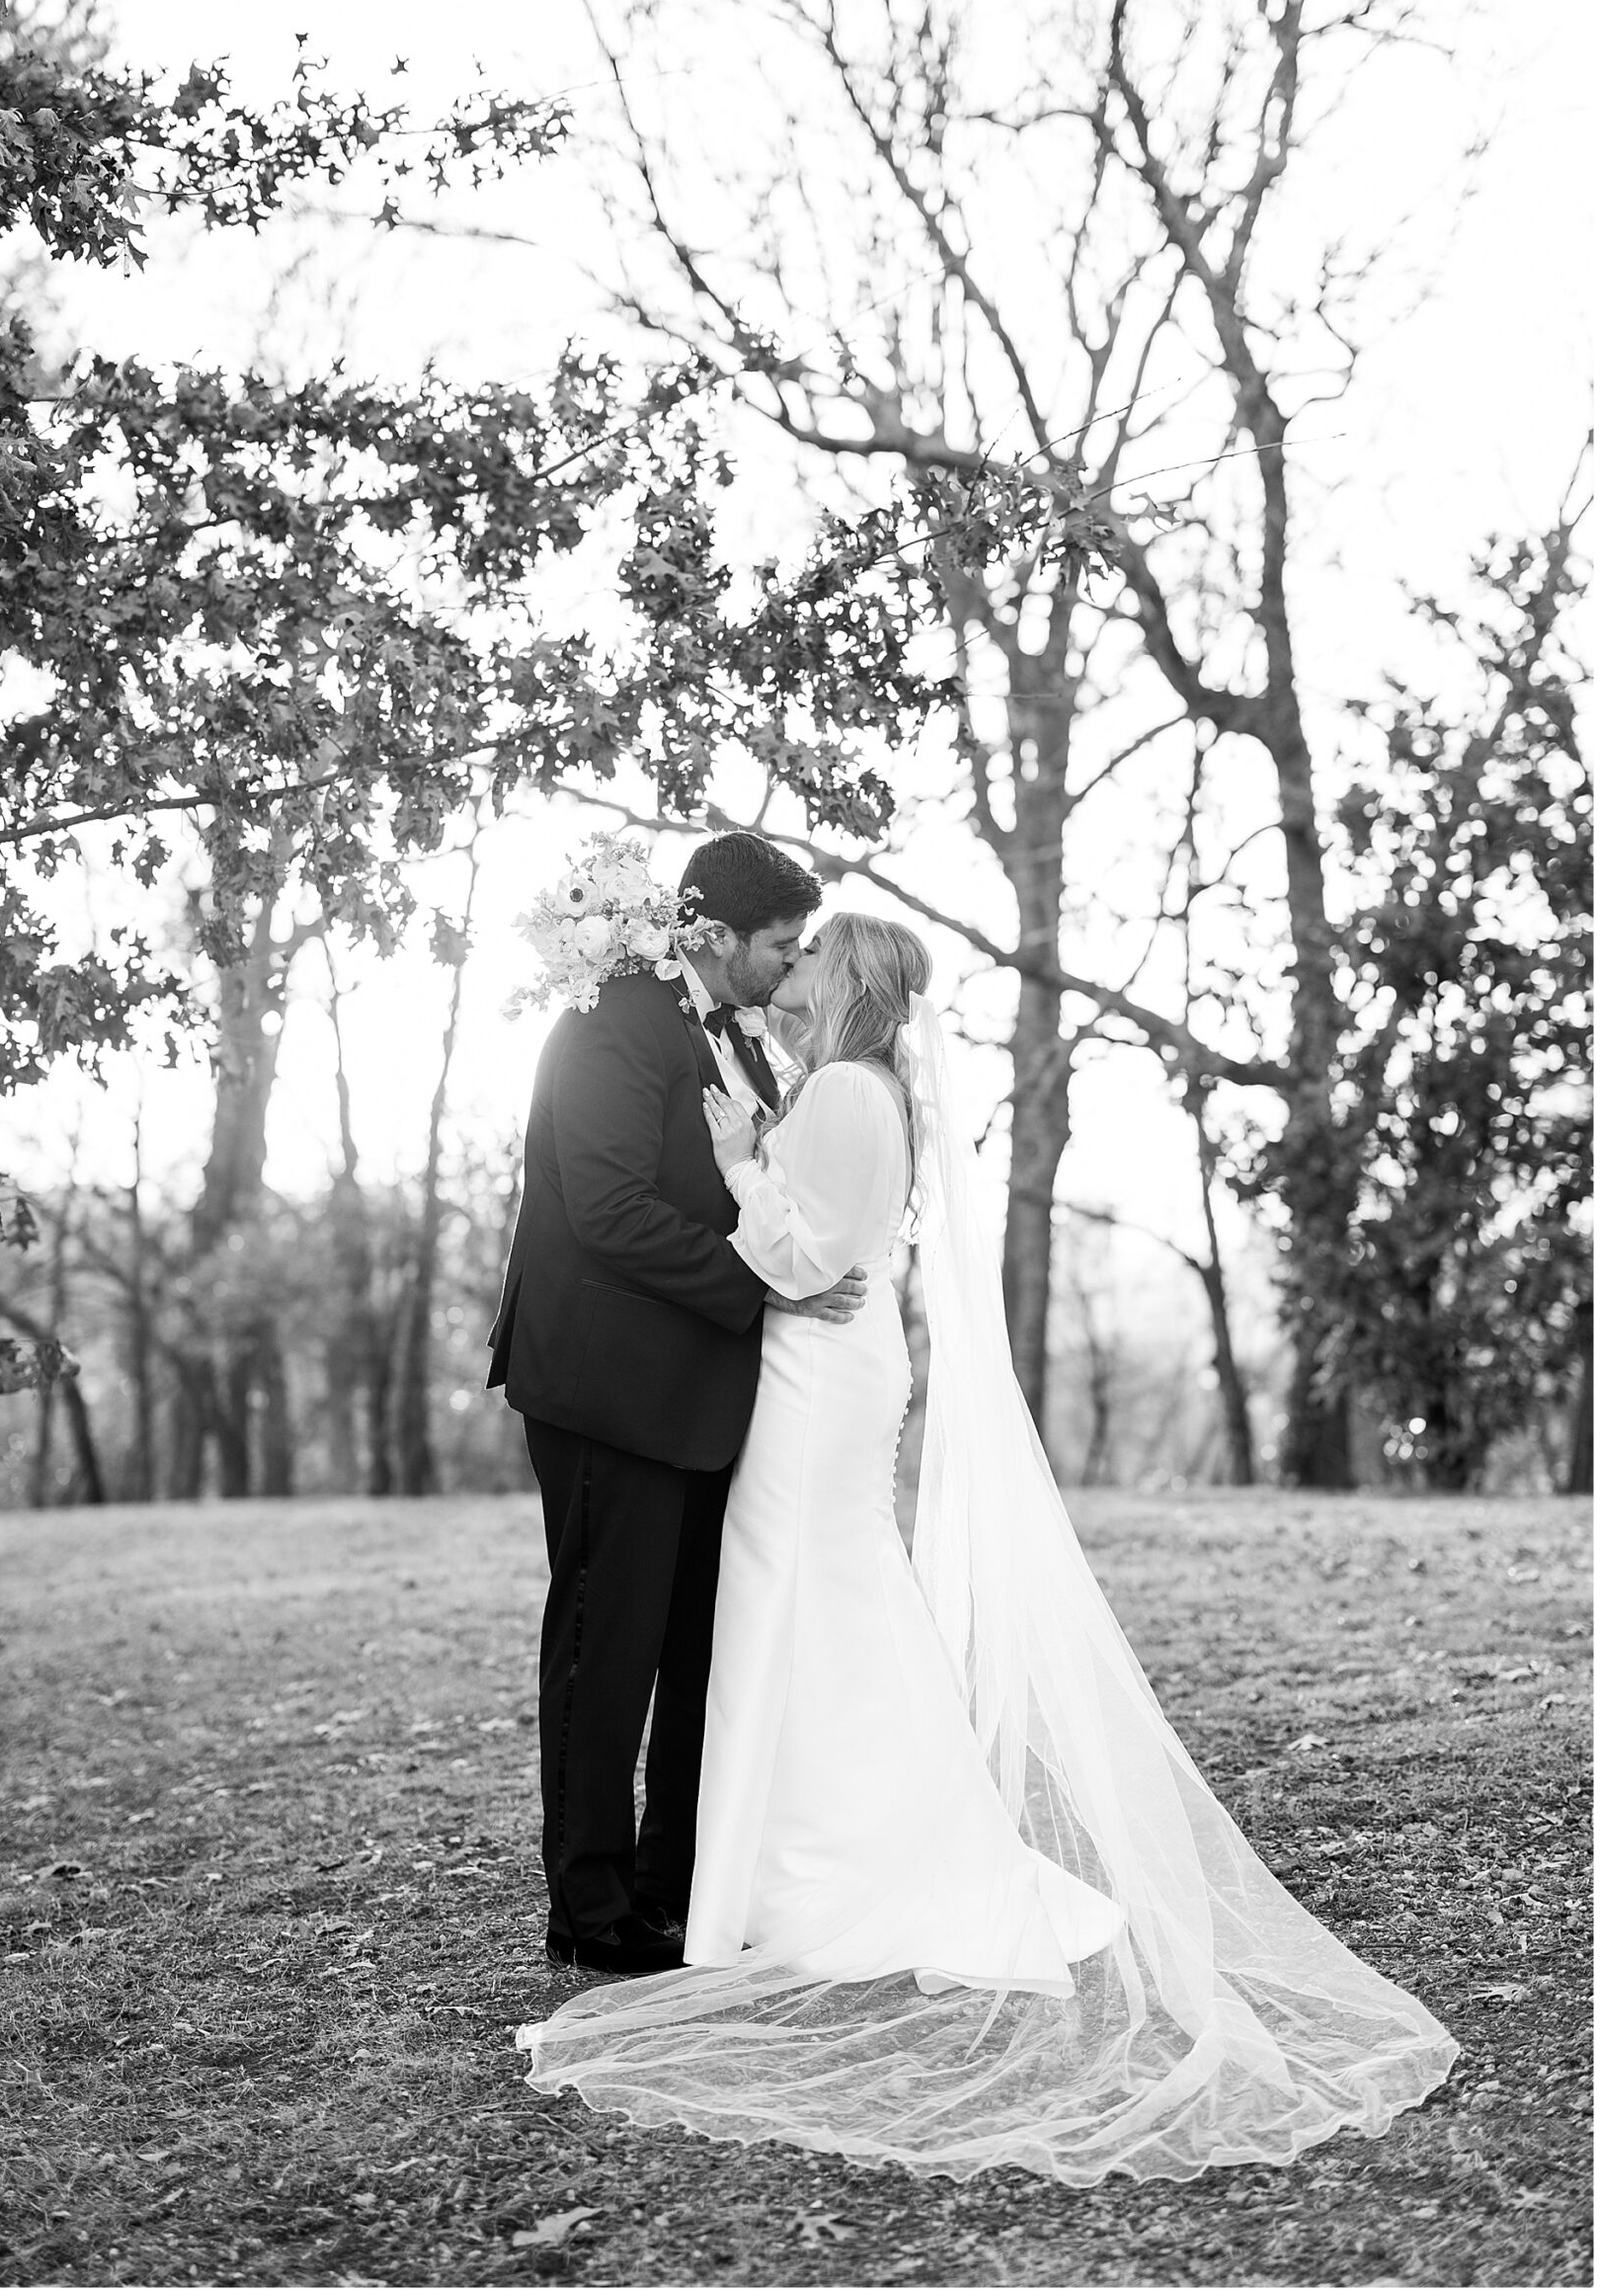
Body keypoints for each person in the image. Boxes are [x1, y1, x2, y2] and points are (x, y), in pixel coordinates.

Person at [517, 912, 1459, 2182]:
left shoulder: (845, 1092)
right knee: (799, 1606)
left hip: (817, 1378)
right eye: (784, 948)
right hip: (807, 1370)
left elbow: (803, 1256)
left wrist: (742, 1165)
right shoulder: (833, 1082)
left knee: (811, 1596)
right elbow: (808, 1246)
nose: (788, 969)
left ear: (840, 981)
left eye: (806, 955)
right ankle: (753, 1860)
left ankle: (831, 1863)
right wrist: (755, 1161)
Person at [487, 833, 864, 1975]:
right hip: (608, 1387)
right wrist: (760, 1287)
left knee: (699, 1650)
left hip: (702, 1392)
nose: (788, 964)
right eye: (778, 944)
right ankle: (590, 1913)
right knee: (607, 1655)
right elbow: (604, 1208)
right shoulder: (608, 1023)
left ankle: (672, 1888)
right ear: (712, 936)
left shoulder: (738, 1035)